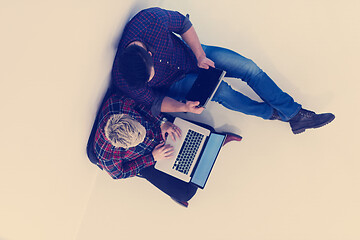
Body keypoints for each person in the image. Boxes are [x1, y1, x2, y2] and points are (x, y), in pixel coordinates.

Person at [111, 7, 335, 134]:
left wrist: (200, 55)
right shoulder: (126, 80)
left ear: (149, 54)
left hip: (193, 53)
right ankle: (276, 114)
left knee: (249, 68)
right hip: (176, 83)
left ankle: (294, 114)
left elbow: (183, 24)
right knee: (223, 93)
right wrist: (182, 106)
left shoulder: (148, 20)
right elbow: (155, 101)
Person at [92, 92, 241, 207]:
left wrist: (162, 122)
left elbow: (142, 105)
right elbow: (119, 173)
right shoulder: (107, 155)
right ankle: (210, 149)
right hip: (147, 157)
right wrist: (152, 158)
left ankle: (213, 144)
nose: (144, 138)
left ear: (128, 117)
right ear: (122, 147)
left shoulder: (119, 103)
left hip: (157, 129)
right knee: (186, 193)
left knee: (207, 131)